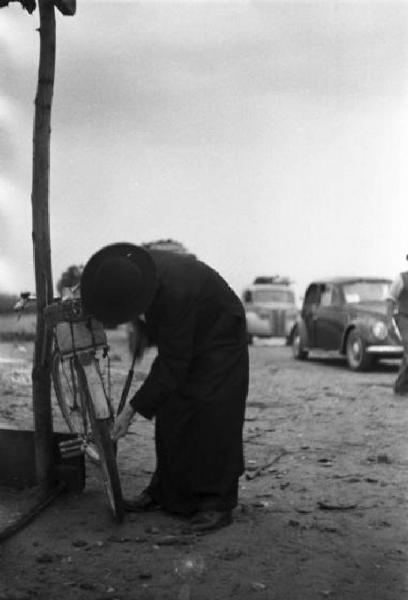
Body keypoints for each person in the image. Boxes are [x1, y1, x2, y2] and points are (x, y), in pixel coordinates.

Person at [80, 242, 249, 532]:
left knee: (212, 416)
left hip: (221, 337)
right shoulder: (134, 270)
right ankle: (163, 492)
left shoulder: (178, 291)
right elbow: (149, 309)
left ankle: (218, 503)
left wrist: (130, 412)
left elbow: (173, 363)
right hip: (188, 329)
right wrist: (142, 331)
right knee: (171, 410)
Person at [386, 258, 408, 395]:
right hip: (404, 317)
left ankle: (402, 386)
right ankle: (401, 387)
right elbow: (390, 299)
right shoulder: (402, 278)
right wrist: (389, 321)